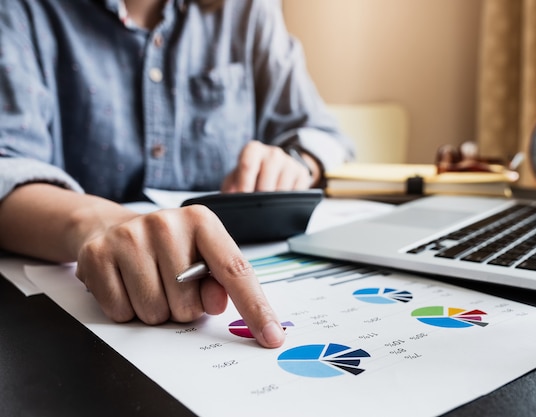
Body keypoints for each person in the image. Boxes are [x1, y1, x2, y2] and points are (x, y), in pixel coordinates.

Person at [0, 0, 354, 348]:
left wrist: (298, 163)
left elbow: (323, 133)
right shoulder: (18, 11)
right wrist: (97, 224)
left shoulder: (248, 9)